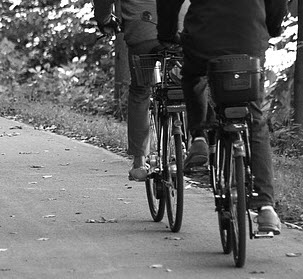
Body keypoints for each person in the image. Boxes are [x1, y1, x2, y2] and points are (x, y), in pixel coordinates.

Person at [156, 0, 287, 234]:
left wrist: (166, 33)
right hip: (249, 39)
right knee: (255, 119)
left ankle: (198, 137)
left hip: (203, 41)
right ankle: (266, 206)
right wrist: (272, 27)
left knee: (193, 78)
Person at [93, 0, 188, 181]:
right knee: (187, 86)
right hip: (181, 28)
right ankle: (191, 145)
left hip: (142, 30)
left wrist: (104, 20)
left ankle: (139, 162)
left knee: (140, 91)